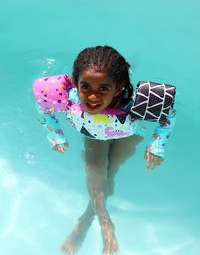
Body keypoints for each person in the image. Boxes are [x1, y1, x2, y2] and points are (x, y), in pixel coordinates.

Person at [33, 46, 176, 255]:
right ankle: (104, 222)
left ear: (117, 88)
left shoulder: (137, 103)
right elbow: (43, 107)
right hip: (93, 136)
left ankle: (87, 217)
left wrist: (157, 145)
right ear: (76, 84)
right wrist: (55, 134)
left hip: (127, 134)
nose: (92, 97)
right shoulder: (71, 97)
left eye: (103, 89)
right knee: (96, 170)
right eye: (86, 87)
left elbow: (168, 116)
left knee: (112, 170)